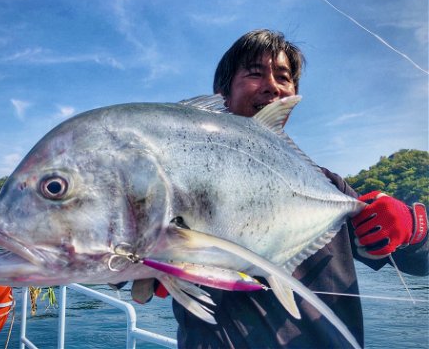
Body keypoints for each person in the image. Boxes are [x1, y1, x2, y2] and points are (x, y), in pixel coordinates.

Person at [133, 29, 428, 348]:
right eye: (255, 73)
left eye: (283, 77)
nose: (272, 86)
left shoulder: (330, 187)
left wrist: (414, 231)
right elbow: (113, 262)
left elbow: (420, 264)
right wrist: (144, 265)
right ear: (222, 95)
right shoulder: (176, 180)